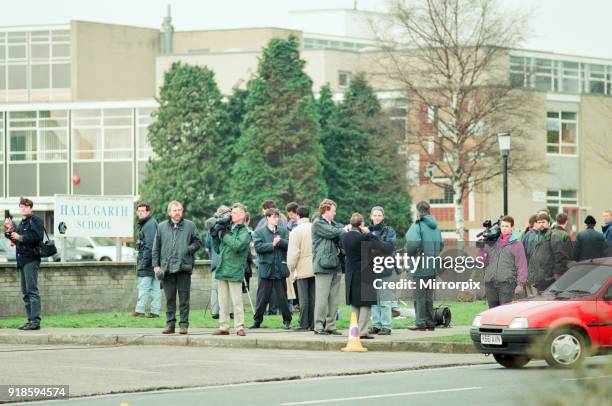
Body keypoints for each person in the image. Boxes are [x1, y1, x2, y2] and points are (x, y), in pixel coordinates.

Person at [152, 201, 202, 335]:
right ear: (169, 212)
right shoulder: (161, 227)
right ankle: (170, 325)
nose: (177, 212)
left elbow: (198, 242)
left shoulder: (190, 225)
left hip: (183, 267)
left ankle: (184, 325)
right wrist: (156, 265)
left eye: (179, 210)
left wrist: (188, 249)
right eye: (174, 210)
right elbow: (156, 247)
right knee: (169, 299)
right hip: (166, 269)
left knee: (184, 299)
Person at [341, 213, 393, 339]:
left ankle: (354, 330)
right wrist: (369, 233)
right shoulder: (363, 238)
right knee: (365, 303)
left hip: (351, 274)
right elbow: (383, 247)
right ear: (361, 224)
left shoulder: (344, 237)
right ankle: (363, 331)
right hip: (365, 273)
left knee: (355, 303)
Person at [212, 203, 252, 336]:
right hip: (222, 268)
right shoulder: (228, 228)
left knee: (237, 301)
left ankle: (239, 327)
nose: (231, 215)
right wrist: (214, 236)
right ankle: (224, 327)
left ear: (242, 215)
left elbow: (237, 245)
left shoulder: (245, 231)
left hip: (235, 269)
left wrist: (224, 235)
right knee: (222, 302)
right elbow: (218, 249)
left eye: (234, 213)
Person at [250, 208, 292, 329]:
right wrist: (272, 245)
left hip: (280, 269)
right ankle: (257, 321)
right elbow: (258, 248)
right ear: (267, 218)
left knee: (282, 297)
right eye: (273, 217)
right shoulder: (259, 232)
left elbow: (289, 245)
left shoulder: (284, 231)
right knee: (262, 297)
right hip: (266, 269)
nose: (276, 219)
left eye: (277, 217)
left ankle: (287, 320)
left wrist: (280, 242)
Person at [404, 201, 443, 331]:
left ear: (418, 211)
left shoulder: (417, 225)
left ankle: (420, 322)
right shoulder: (436, 227)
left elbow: (412, 245)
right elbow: (441, 245)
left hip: (419, 266)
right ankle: (430, 322)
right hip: (432, 266)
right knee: (428, 296)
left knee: (419, 296)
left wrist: (409, 254)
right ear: (429, 210)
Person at [9, 197, 44, 330]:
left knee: (32, 291)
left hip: (31, 259)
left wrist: (21, 237)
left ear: (30, 208)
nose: (23, 208)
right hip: (22, 260)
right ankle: (30, 320)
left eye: (26, 206)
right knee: (25, 292)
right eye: (21, 206)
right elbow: (16, 238)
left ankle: (35, 321)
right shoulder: (22, 222)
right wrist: (10, 231)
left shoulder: (35, 220)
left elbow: (37, 237)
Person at [312, 198, 345, 335]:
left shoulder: (335, 225)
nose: (335, 213)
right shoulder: (318, 224)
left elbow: (338, 230)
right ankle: (318, 326)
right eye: (333, 211)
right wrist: (343, 229)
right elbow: (333, 232)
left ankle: (331, 326)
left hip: (336, 265)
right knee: (321, 299)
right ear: (326, 210)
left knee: (334, 300)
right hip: (323, 266)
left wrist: (342, 229)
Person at [480, 216, 528, 308]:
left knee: (504, 311)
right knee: (492, 312)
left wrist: (520, 284)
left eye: (507, 226)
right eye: (502, 226)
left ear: (512, 228)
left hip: (507, 284)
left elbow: (522, 265)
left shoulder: (516, 244)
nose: (504, 229)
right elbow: (483, 262)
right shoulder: (492, 242)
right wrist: (481, 248)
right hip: (490, 283)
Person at [367, 206, 397, 336]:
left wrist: (375, 242)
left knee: (384, 300)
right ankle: (376, 325)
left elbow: (389, 247)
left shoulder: (389, 231)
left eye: (379, 215)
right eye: (375, 215)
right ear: (371, 216)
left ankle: (386, 326)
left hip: (384, 269)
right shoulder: (367, 230)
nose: (377, 217)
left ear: (383, 217)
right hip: (370, 269)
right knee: (374, 301)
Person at [287, 206, 315, 331]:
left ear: (297, 215)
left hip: (302, 267)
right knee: (314, 297)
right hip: (315, 266)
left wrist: (291, 268)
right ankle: (314, 323)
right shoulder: (314, 228)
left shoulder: (295, 231)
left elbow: (294, 253)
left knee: (303, 298)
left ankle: (303, 323)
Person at [133, 202, 160, 318]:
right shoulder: (149, 223)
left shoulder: (149, 225)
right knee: (155, 288)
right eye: (138, 211)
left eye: (142, 211)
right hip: (155, 261)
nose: (140, 213)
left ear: (148, 212)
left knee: (144, 287)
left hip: (149, 262)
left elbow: (149, 245)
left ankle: (139, 310)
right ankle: (155, 312)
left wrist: (144, 263)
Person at [205, 205, 231, 320]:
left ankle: (215, 311)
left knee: (215, 288)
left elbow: (207, 243)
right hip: (226, 259)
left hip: (216, 260)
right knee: (229, 286)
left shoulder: (212, 224)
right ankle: (230, 311)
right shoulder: (228, 224)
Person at [527, 213, 555, 293]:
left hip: (549, 278)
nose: (541, 224)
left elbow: (557, 256)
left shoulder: (553, 236)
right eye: (539, 222)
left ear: (548, 223)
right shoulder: (535, 237)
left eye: (543, 222)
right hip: (538, 278)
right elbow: (532, 257)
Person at [549, 212, 573, 280]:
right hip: (562, 269)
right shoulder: (565, 235)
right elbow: (570, 253)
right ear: (566, 221)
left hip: (551, 269)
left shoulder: (550, 233)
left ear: (556, 221)